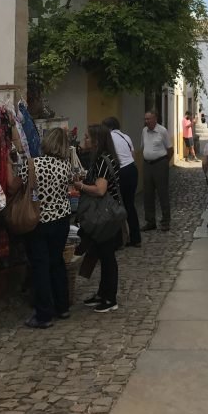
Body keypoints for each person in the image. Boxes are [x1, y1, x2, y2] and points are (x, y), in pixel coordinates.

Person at [17, 126, 75, 329]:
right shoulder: (65, 166)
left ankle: (44, 314)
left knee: (40, 265)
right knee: (57, 262)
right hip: (62, 220)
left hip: (39, 221)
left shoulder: (32, 165)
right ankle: (62, 306)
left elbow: (18, 184)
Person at [77, 124, 123, 313]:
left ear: (96, 141)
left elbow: (100, 189)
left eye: (87, 137)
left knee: (107, 256)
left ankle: (110, 298)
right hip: (104, 215)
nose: (84, 140)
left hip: (105, 216)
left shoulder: (103, 160)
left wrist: (80, 186)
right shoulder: (100, 159)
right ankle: (102, 293)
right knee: (102, 254)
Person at [102, 115, 141, 247]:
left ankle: (118, 239)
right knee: (130, 205)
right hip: (132, 170)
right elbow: (133, 155)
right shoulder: (126, 137)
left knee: (116, 206)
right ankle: (136, 238)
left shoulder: (109, 138)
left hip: (121, 171)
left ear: (109, 128)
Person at [141, 110, 173, 231]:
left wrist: (164, 163)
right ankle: (150, 221)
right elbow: (143, 146)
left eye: (149, 119)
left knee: (162, 193)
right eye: (145, 119)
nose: (146, 121)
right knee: (147, 194)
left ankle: (165, 221)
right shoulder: (144, 131)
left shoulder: (162, 131)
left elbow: (170, 149)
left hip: (160, 164)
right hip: (147, 165)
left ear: (155, 119)